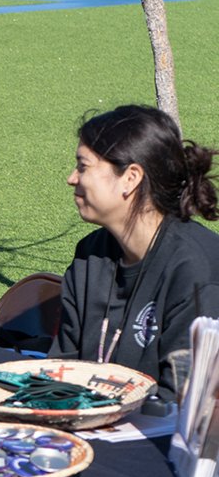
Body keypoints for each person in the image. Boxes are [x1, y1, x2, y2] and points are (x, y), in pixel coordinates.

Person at [49, 105, 219, 401]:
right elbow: (60, 367)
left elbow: (180, 401)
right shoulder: (91, 254)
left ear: (130, 178)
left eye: (83, 166)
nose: (71, 178)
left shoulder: (195, 269)